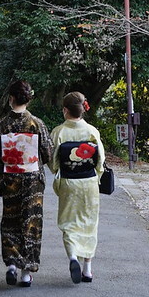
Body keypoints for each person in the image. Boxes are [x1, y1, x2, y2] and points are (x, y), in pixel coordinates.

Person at [0, 80, 53, 287]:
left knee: (11, 220)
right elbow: (48, 153)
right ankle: (26, 272)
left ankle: (12, 264)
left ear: (11, 98)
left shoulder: (2, 125)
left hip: (11, 179)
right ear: (28, 98)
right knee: (31, 223)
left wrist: (5, 161)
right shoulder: (37, 124)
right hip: (32, 181)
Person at [49, 91, 106, 284]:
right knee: (89, 223)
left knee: (69, 222)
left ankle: (73, 256)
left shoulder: (59, 132)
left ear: (65, 110)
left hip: (68, 181)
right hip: (88, 182)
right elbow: (101, 161)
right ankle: (87, 269)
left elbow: (53, 162)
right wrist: (96, 176)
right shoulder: (92, 131)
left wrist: (60, 170)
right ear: (83, 109)